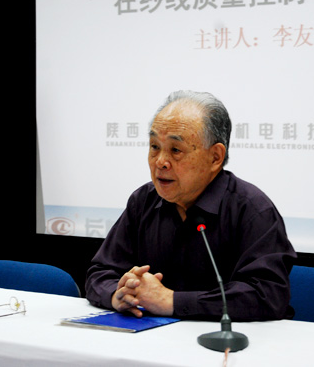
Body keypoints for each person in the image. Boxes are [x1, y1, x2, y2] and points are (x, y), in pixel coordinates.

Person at [85, 90, 296, 321]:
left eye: (175, 150)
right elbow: (100, 272)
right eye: (154, 146)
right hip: (152, 337)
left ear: (215, 157)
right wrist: (119, 294)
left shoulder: (253, 210)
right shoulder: (143, 201)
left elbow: (267, 295)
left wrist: (171, 302)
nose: (160, 162)